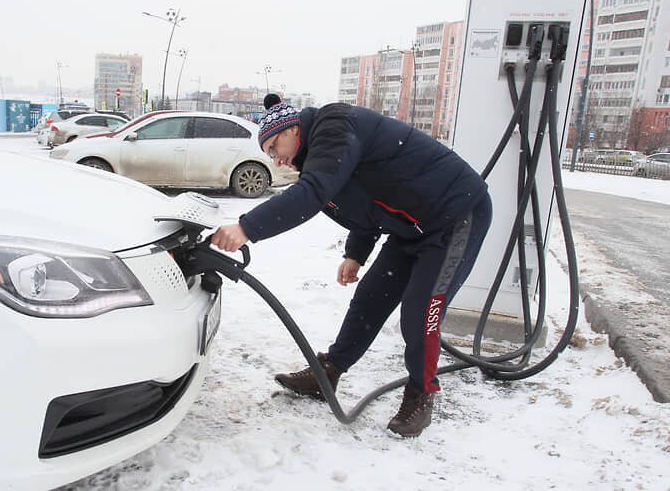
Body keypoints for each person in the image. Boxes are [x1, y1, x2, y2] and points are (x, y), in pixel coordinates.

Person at [211, 95, 492, 437]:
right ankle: (328, 373)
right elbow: (367, 200)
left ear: (292, 129)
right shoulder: (319, 154)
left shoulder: (333, 126)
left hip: (456, 215)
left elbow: (312, 193)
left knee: (420, 315)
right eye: (269, 154)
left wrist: (247, 228)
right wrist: (356, 253)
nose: (276, 159)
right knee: (370, 298)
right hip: (412, 226)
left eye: (274, 147)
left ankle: (421, 394)